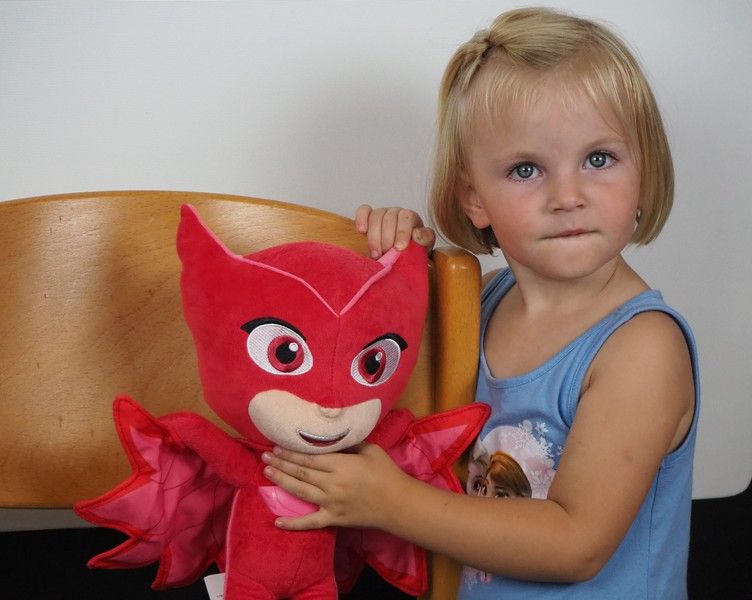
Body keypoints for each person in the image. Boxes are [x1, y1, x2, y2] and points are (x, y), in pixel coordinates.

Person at [262, 7, 699, 598]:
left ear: (644, 169)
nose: (568, 195)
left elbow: (576, 543)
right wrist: (395, 265)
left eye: (599, 159)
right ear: (474, 199)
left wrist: (391, 502)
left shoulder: (642, 348)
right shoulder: (482, 301)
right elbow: (386, 385)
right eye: (526, 169)